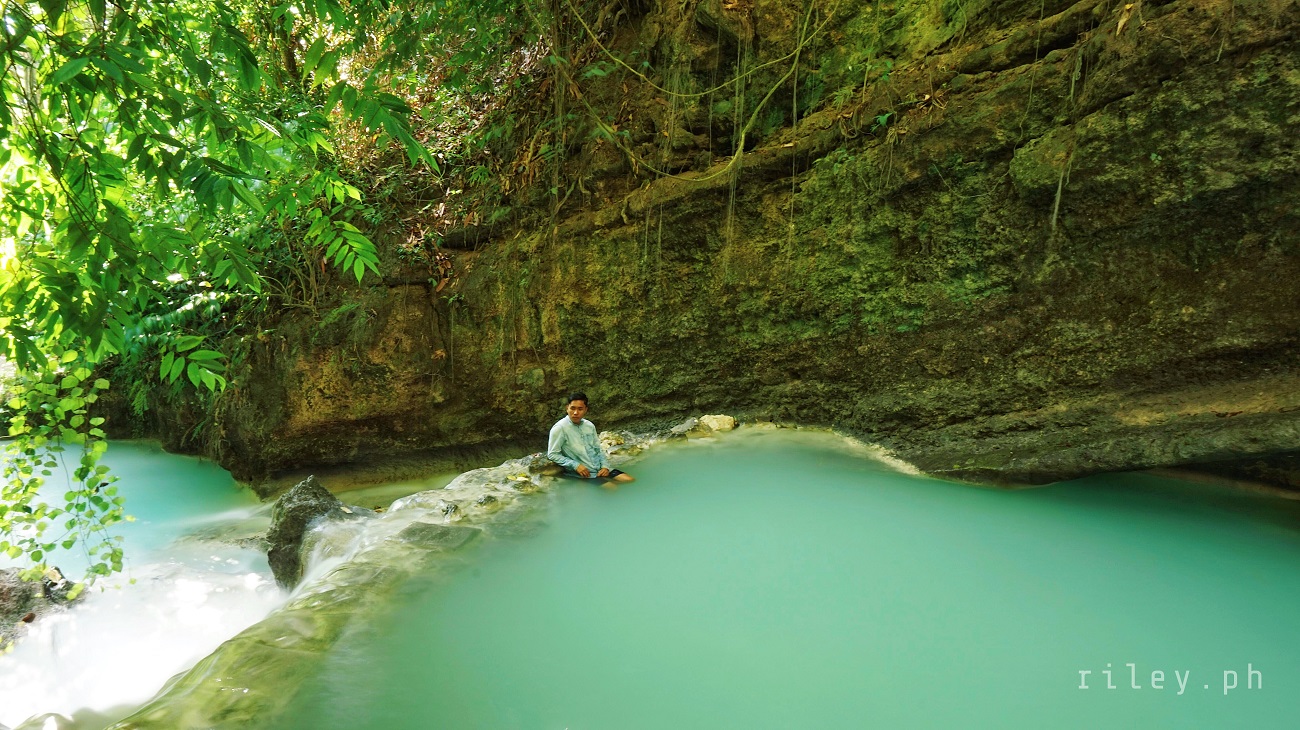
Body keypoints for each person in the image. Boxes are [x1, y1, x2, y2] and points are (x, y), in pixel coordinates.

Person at [547, 392, 635, 485]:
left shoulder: (589, 425)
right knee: (612, 488)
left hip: (599, 468)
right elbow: (552, 454)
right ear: (567, 408)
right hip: (584, 473)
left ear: (586, 410)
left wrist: (605, 466)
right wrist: (575, 465)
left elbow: (598, 449)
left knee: (630, 480)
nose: (575, 413)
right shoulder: (559, 428)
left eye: (580, 409)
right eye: (572, 408)